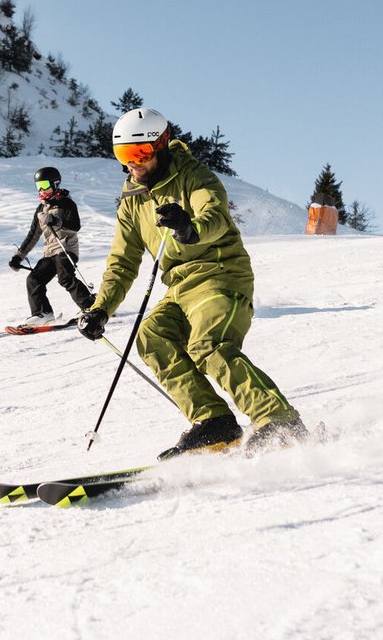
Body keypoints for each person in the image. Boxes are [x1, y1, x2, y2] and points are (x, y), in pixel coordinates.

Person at [78, 107, 308, 459]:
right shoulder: (132, 201)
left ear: (162, 145)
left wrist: (190, 228)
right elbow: (122, 262)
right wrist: (100, 309)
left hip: (220, 274)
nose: (132, 165)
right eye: (123, 155)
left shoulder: (195, 177)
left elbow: (214, 214)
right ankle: (214, 421)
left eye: (138, 154)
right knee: (152, 336)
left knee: (208, 344)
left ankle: (280, 421)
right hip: (181, 287)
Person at [9, 166, 94, 324]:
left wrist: (57, 221)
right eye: (38, 186)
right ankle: (43, 314)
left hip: (66, 248)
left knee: (65, 278)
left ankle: (91, 307)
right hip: (50, 253)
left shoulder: (66, 203)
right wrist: (18, 256)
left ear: (55, 184)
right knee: (34, 279)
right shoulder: (41, 209)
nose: (41, 190)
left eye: (45, 185)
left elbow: (75, 225)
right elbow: (32, 235)